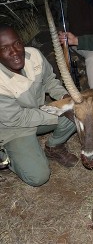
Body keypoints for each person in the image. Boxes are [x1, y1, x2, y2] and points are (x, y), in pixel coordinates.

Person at [0, 24, 78, 186]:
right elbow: (17, 118)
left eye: (17, 43)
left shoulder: (34, 55)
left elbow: (50, 81)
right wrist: (58, 112)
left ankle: (54, 147)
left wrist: (65, 98)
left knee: (79, 111)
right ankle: (6, 156)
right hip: (12, 128)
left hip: (36, 112)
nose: (14, 51)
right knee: (39, 177)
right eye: (4, 48)